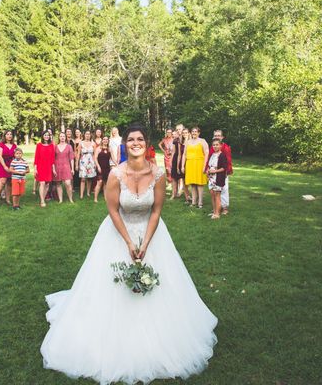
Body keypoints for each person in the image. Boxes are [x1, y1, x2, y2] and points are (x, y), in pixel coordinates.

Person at [40, 124, 218, 384]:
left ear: (146, 144)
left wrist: (145, 243)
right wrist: (128, 242)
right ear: (124, 144)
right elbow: (113, 211)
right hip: (117, 233)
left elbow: (156, 210)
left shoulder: (157, 174)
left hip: (151, 234)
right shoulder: (115, 174)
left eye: (140, 139)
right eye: (131, 139)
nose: (135, 142)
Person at [205, 129, 233, 215]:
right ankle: (217, 209)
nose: (217, 137)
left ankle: (224, 208)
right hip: (212, 174)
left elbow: (228, 161)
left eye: (218, 135)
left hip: (222, 173)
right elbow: (209, 158)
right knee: (214, 191)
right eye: (215, 135)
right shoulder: (212, 148)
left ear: (222, 137)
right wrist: (207, 169)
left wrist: (226, 173)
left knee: (224, 190)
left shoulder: (226, 147)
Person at [182, 126, 209, 208]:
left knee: (200, 183)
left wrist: (205, 165)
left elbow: (206, 153)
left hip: (199, 164)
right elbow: (184, 154)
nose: (194, 133)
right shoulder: (187, 142)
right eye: (193, 131)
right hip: (190, 164)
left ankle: (200, 202)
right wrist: (182, 166)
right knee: (192, 183)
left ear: (199, 133)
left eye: (196, 131)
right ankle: (193, 202)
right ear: (191, 133)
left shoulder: (202, 141)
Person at [205, 138, 228, 219]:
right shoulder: (212, 155)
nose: (215, 146)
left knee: (217, 195)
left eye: (217, 144)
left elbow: (224, 168)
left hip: (218, 178)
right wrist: (208, 171)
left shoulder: (222, 155)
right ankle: (214, 212)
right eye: (214, 145)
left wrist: (215, 171)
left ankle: (217, 214)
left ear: (221, 145)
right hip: (211, 178)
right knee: (212, 195)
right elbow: (209, 165)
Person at [34, 130, 56, 208]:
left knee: (47, 184)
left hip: (48, 167)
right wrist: (35, 168)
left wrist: (53, 169)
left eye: (48, 135)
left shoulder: (51, 146)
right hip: (41, 166)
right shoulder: (39, 145)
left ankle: (42, 198)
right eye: (45, 135)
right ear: (43, 136)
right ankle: (42, 201)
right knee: (42, 183)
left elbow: (53, 158)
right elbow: (36, 157)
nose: (46, 136)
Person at [0, 130, 17, 207]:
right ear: (5, 136)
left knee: (9, 183)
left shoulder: (14, 145)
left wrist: (15, 166)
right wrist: (4, 166)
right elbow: (0, 156)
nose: (9, 135)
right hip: (3, 165)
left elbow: (16, 156)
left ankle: (7, 199)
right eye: (8, 134)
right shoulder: (1, 145)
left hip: (11, 165)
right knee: (2, 182)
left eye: (11, 134)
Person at [53, 131, 75, 204]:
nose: (62, 137)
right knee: (58, 184)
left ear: (65, 137)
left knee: (68, 183)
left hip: (66, 166)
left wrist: (72, 168)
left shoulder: (69, 146)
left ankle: (70, 199)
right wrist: (53, 169)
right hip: (58, 167)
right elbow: (53, 158)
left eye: (63, 136)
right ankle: (60, 199)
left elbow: (71, 158)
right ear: (59, 137)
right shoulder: (55, 146)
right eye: (61, 136)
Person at [77, 130, 97, 198]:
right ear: (84, 135)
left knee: (89, 178)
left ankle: (88, 192)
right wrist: (76, 164)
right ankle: (81, 194)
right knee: (83, 178)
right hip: (83, 161)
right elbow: (78, 154)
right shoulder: (81, 143)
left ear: (90, 135)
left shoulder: (93, 143)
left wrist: (95, 163)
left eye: (89, 134)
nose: (87, 135)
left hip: (91, 161)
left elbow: (95, 154)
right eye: (86, 134)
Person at [93, 135, 111, 203]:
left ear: (108, 141)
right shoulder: (98, 148)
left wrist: (117, 164)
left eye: (107, 139)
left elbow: (112, 158)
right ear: (102, 140)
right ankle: (95, 198)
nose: (105, 140)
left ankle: (106, 197)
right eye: (104, 139)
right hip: (100, 168)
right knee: (99, 182)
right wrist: (98, 166)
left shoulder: (109, 149)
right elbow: (95, 158)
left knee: (105, 183)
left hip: (107, 168)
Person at [169, 130, 183, 200]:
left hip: (180, 160)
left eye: (175, 134)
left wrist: (178, 165)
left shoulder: (180, 140)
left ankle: (178, 193)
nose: (174, 135)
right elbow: (173, 152)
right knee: (174, 178)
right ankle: (174, 193)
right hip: (175, 159)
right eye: (173, 134)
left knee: (179, 178)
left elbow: (179, 154)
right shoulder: (175, 141)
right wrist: (171, 161)